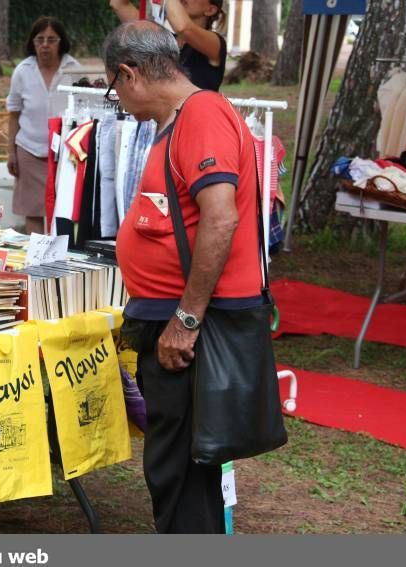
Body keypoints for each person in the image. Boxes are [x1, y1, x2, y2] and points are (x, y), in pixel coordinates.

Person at [104, 20, 262, 533]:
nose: (120, 102)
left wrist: (186, 321)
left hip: (193, 331)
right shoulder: (185, 119)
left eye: (114, 89)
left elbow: (221, 218)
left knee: (182, 473)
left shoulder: (201, 116)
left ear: (129, 74)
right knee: (179, 469)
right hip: (180, 322)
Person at [6, 17, 80, 234]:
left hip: (66, 154)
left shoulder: (74, 70)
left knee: (62, 210)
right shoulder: (22, 71)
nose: (45, 45)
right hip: (29, 150)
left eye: (51, 39)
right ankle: (36, 260)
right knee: (33, 210)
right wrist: (11, 152)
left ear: (61, 42)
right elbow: (13, 115)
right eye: (39, 39)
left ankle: (58, 260)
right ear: (32, 42)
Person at [109, 0, 227, 91]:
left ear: (210, 10)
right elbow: (118, 4)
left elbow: (184, 28)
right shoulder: (163, 39)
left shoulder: (215, 43)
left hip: (196, 120)